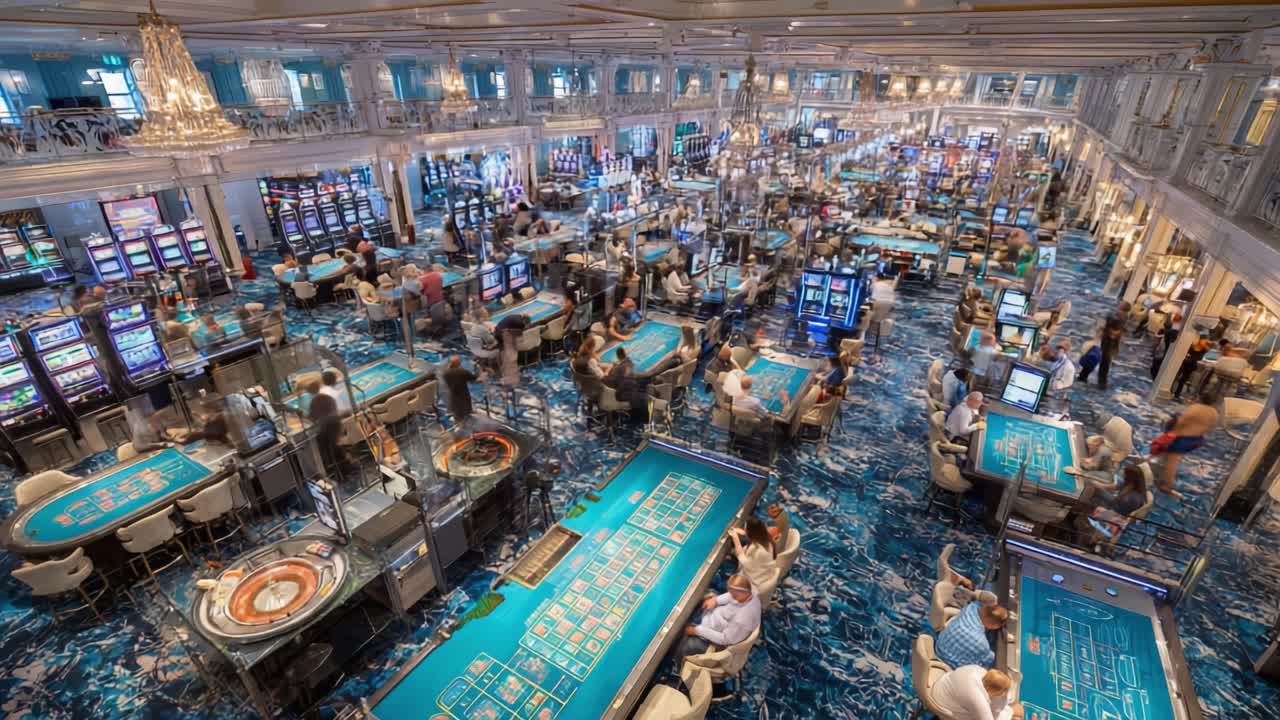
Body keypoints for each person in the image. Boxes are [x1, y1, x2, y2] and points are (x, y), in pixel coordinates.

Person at [671, 574, 762, 667]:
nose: (730, 595)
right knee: (710, 593)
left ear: (740, 593)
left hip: (718, 639)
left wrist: (697, 631)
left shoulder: (742, 620)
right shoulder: (750, 592)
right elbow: (730, 595)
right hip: (715, 619)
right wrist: (715, 600)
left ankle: (676, 664)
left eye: (734, 594)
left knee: (687, 645)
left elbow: (724, 639)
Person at [1149, 390, 1218, 499]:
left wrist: (1171, 434)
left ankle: (1166, 484)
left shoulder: (1195, 408)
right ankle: (1155, 471)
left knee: (1170, 459)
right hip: (1196, 439)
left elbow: (1182, 421)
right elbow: (1210, 427)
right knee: (1167, 456)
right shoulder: (1214, 413)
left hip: (1182, 437)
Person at [935, 598, 1009, 670]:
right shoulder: (981, 643)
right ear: (994, 626)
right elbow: (988, 664)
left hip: (940, 643)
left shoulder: (971, 607)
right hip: (946, 661)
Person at [930, 667, 1023, 720]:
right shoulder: (977, 698)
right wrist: (1011, 712)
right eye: (1000, 693)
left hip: (941, 684)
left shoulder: (980, 671)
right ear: (992, 690)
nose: (1001, 695)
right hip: (940, 701)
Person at [730, 516, 778, 593]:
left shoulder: (759, 551)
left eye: (746, 528)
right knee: (739, 546)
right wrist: (744, 532)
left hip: (754, 578)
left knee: (734, 551)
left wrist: (735, 537)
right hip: (764, 570)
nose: (744, 530)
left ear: (752, 532)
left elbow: (743, 560)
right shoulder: (767, 540)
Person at [1172, 331, 1214, 399]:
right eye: (1204, 340)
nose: (1205, 342)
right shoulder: (1191, 346)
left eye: (1206, 341)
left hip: (1191, 366)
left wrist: (1207, 346)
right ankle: (1171, 390)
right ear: (1200, 339)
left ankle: (1177, 394)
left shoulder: (1204, 349)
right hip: (1184, 363)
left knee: (1183, 380)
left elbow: (1201, 357)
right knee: (1176, 377)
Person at [442, 356, 483, 423]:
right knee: (466, 411)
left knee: (457, 412)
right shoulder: (462, 372)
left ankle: (458, 423)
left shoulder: (445, 374)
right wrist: (479, 372)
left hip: (454, 396)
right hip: (464, 395)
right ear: (458, 363)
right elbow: (475, 379)